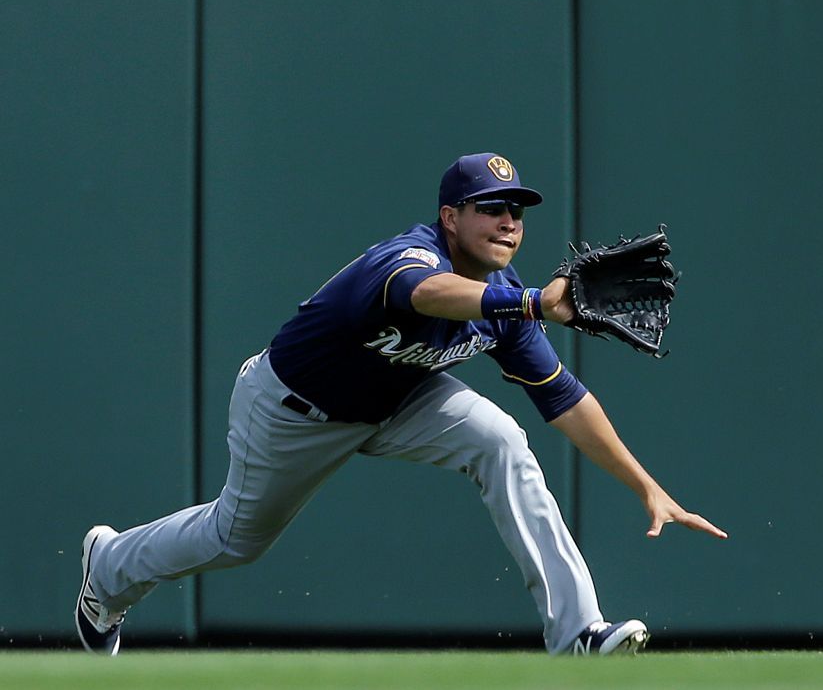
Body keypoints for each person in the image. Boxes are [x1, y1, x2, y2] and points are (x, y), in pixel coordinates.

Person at [75, 153, 727, 658]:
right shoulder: (409, 257)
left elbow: (562, 398)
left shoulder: (503, 298)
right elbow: (424, 293)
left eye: (517, 211)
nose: (507, 221)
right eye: (489, 207)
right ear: (450, 217)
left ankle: (577, 629)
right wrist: (530, 301)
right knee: (235, 538)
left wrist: (644, 485)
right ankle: (108, 566)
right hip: (294, 407)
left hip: (401, 397)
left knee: (499, 440)